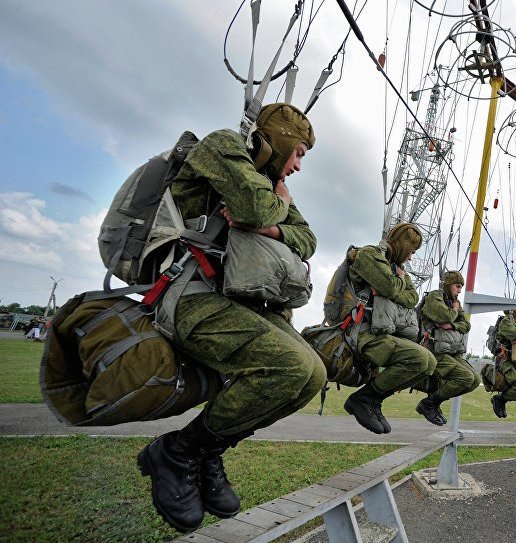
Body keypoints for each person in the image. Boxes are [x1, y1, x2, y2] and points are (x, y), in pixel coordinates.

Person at [138, 103, 327, 532]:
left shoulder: (269, 183)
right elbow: (253, 209)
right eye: (297, 153)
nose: (297, 166)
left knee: (313, 374)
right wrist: (273, 209)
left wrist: (272, 222)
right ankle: (178, 451)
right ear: (278, 141)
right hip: (190, 295)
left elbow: (307, 240)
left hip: (240, 301)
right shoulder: (222, 145)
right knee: (290, 366)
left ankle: (206, 450)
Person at [342, 222, 438, 434]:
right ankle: (363, 399)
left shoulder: (398, 270)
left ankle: (373, 400)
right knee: (419, 359)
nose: (411, 258)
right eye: (411, 251)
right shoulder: (369, 255)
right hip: (361, 333)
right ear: (403, 243)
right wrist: (396, 285)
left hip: (382, 334)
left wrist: (395, 285)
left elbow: (412, 299)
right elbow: (389, 286)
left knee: (429, 362)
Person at [413, 270, 480, 425]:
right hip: (433, 349)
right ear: (449, 285)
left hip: (452, 350)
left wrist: (451, 325)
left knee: (475, 380)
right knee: (465, 378)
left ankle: (432, 402)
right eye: (457, 286)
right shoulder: (434, 297)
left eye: (461, 287)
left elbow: (466, 325)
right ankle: (429, 404)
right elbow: (444, 316)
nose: (459, 290)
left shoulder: (455, 303)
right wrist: (454, 312)